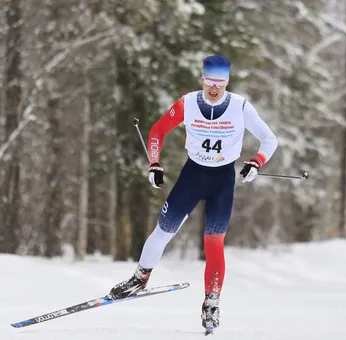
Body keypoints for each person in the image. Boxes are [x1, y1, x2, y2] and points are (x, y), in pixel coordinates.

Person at [109, 55, 278, 330]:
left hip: (222, 180)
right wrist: (154, 163)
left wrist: (256, 162)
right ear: (202, 79)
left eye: (219, 83)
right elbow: (157, 131)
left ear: (227, 82)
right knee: (163, 230)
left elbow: (270, 139)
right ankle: (139, 280)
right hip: (193, 175)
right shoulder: (188, 103)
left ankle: (211, 305)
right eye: (209, 82)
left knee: (214, 243)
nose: (213, 88)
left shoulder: (240, 106)